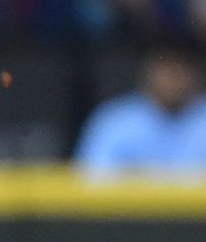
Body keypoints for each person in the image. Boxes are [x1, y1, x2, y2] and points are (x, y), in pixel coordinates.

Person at [73, 41, 206, 174]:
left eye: (179, 69)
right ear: (148, 72)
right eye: (165, 69)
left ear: (194, 73)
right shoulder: (114, 120)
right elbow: (91, 180)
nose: (172, 79)